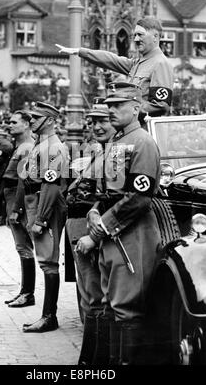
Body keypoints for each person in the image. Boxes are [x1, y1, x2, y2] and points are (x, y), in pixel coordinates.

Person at [76, 82, 161, 365]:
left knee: (125, 308)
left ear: (136, 108)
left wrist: (99, 231)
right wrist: (95, 210)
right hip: (114, 233)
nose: (110, 110)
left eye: (117, 105)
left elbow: (139, 197)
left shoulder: (143, 143)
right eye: (109, 105)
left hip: (131, 233)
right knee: (110, 306)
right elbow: (110, 192)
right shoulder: (118, 143)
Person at [65, 99, 116, 365]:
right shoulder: (100, 151)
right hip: (80, 223)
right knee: (88, 294)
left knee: (95, 297)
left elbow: (111, 198)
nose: (96, 127)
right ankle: (90, 356)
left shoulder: (115, 152)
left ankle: (94, 361)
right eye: (93, 122)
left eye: (102, 121)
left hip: (94, 229)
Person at [55, 16, 174, 121]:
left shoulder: (160, 64)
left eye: (140, 35)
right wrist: (80, 52)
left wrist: (124, 112)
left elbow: (160, 106)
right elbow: (112, 59)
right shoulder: (138, 63)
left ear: (155, 37)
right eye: (135, 35)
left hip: (144, 132)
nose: (136, 39)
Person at [20, 101, 69, 333]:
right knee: (44, 259)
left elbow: (52, 186)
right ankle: (47, 315)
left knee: (49, 261)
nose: (31, 121)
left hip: (45, 204)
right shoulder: (43, 144)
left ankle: (49, 316)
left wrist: (41, 219)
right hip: (36, 202)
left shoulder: (53, 147)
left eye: (36, 118)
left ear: (49, 120)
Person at [2, 111, 36, 309]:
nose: (10, 125)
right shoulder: (20, 146)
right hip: (12, 199)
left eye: (14, 122)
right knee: (21, 247)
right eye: (9, 122)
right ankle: (25, 291)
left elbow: (24, 182)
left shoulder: (27, 147)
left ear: (26, 125)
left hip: (18, 200)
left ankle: (28, 293)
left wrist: (17, 209)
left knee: (24, 247)